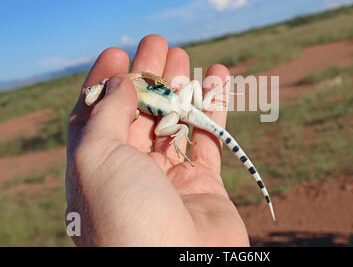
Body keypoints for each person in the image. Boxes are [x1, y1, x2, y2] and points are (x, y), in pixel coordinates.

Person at [65, 34, 250, 246]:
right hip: (177, 107)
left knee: (176, 118)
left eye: (91, 90)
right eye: (89, 92)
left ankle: (187, 123)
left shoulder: (118, 87)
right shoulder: (122, 88)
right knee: (187, 101)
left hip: (177, 108)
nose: (90, 95)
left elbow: (135, 103)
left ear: (100, 87)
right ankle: (191, 118)